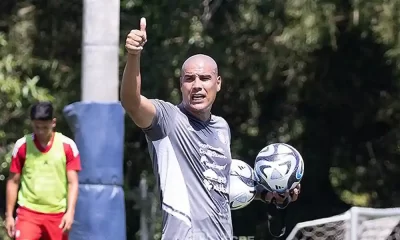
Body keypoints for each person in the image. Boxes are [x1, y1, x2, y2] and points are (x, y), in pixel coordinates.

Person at [121, 17, 301, 239]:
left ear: (218, 83)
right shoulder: (167, 120)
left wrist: (270, 194)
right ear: (181, 85)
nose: (197, 85)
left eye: (205, 78)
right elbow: (131, 102)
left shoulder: (221, 128)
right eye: (189, 79)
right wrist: (133, 55)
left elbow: (219, 185)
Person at [5, 102, 81, 240]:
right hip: (28, 213)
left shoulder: (67, 146)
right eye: (36, 127)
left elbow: (73, 183)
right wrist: (9, 215)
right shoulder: (22, 146)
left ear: (53, 123)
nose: (40, 132)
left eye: (45, 127)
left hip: (57, 215)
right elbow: (13, 181)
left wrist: (70, 212)